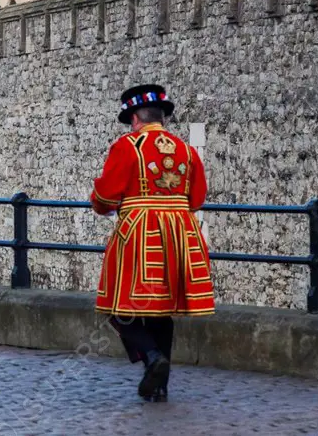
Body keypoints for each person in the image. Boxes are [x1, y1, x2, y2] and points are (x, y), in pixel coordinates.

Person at [90, 84, 215, 402]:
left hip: (140, 232)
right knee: (161, 311)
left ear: (134, 118)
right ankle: (160, 382)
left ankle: (152, 357)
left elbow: (105, 196)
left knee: (117, 306)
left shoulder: (128, 146)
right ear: (162, 116)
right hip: (181, 233)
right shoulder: (186, 150)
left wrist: (101, 202)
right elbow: (197, 198)